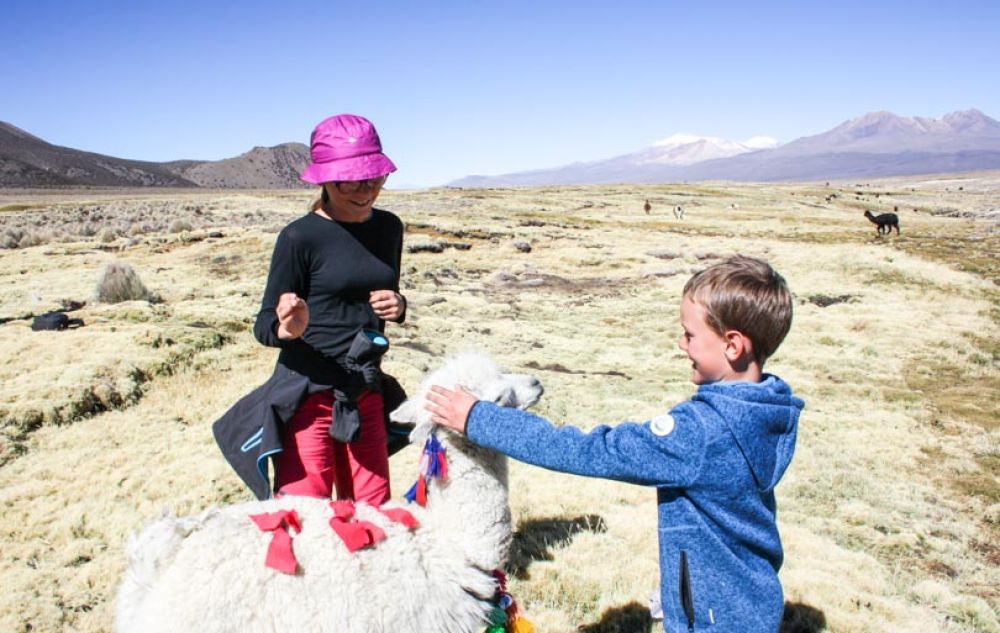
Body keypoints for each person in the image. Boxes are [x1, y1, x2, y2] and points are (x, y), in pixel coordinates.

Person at [425, 255, 804, 632]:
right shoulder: (766, 410)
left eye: (690, 335)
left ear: (733, 346)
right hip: (750, 599)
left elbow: (588, 451)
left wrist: (479, 418)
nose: (680, 343)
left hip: (710, 619)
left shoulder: (700, 433)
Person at [213, 113, 406, 506]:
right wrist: (288, 328)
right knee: (305, 511)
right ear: (324, 179)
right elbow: (265, 325)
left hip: (365, 388)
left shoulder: (389, 228)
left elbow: (383, 297)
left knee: (374, 510)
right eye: (350, 180)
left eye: (374, 177)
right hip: (308, 394)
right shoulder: (299, 237)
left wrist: (399, 305)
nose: (366, 189)